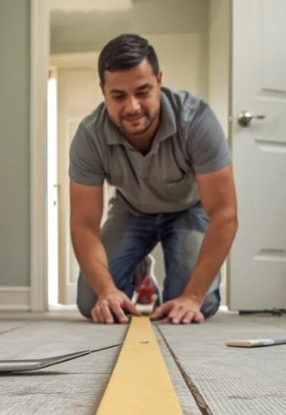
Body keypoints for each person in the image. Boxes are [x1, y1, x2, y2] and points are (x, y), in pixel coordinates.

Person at [68, 33, 238, 324]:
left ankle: (183, 288)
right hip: (131, 210)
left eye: (143, 92)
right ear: (103, 91)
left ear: (159, 81)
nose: (132, 107)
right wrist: (107, 290)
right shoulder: (89, 136)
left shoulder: (197, 121)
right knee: (92, 302)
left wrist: (193, 296)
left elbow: (225, 214)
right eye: (118, 96)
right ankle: (140, 271)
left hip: (188, 208)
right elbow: (83, 225)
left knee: (195, 305)